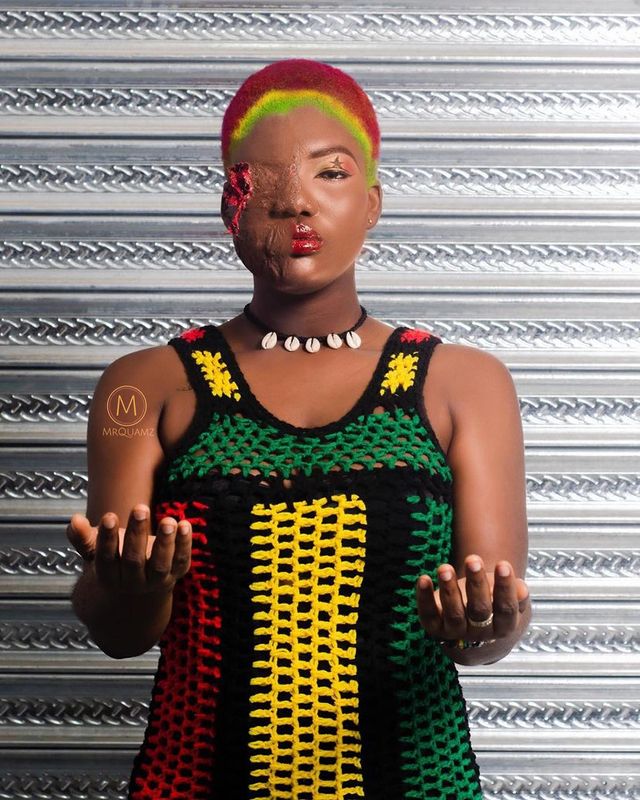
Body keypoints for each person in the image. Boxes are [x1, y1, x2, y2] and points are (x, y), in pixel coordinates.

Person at [66, 58, 531, 799]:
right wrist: (128, 586)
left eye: (330, 173)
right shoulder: (146, 385)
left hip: (413, 777)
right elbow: (120, 635)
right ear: (230, 207)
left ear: (373, 202)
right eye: (263, 183)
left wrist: (482, 622)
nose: (296, 203)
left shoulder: (462, 383)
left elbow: (487, 627)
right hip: (200, 778)